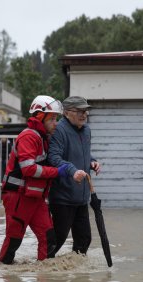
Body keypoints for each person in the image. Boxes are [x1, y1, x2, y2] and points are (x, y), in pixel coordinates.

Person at [0, 95, 84, 264]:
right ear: (39, 117)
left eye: (56, 119)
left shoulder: (43, 137)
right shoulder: (29, 136)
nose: (56, 123)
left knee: (49, 239)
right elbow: (28, 169)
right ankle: (6, 279)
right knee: (14, 240)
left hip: (35, 198)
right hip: (19, 196)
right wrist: (58, 171)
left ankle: (44, 281)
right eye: (52, 119)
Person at [48, 96, 101, 256]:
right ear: (66, 112)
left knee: (84, 240)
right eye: (79, 111)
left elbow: (83, 154)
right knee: (57, 241)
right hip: (63, 198)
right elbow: (54, 158)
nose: (83, 114)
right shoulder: (59, 130)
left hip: (81, 197)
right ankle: (43, 274)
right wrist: (72, 170)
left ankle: (77, 277)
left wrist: (92, 161)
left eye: (85, 111)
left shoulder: (86, 130)